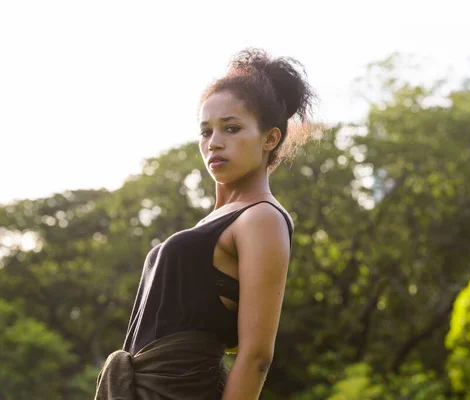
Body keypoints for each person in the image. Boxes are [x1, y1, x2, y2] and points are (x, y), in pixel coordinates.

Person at [94, 48, 316, 400]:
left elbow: (257, 356)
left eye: (231, 128)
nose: (214, 143)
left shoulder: (261, 217)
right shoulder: (214, 221)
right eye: (205, 131)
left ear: (270, 139)